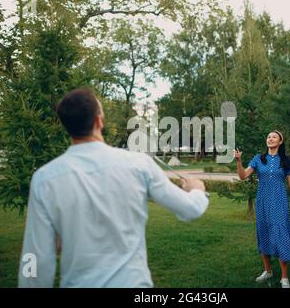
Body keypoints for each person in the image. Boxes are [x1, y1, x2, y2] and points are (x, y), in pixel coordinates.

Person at [18, 88, 209, 288]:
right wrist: (196, 189)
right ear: (99, 121)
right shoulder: (139, 165)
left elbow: (33, 259)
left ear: (67, 127)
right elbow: (191, 209)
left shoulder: (44, 179)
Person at [233, 130, 290, 288]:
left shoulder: (286, 161)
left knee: (281, 235)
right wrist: (238, 161)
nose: (270, 139)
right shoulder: (258, 159)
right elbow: (242, 176)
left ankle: (284, 277)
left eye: (274, 137)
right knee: (264, 232)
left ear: (280, 141)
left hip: (279, 203)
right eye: (268, 136)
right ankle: (268, 271)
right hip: (262, 202)